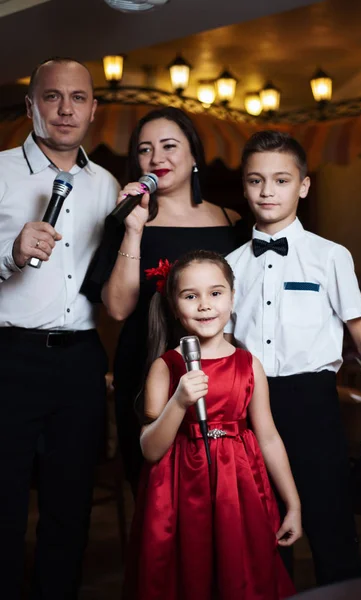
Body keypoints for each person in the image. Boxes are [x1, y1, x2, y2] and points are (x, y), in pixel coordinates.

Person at [224, 130, 361, 586]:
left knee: (332, 532)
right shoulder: (229, 265)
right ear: (244, 186)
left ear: (303, 185)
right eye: (256, 180)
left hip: (313, 405)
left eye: (281, 180)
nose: (267, 191)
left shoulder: (329, 257)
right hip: (247, 409)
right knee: (262, 535)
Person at [0, 57, 120, 599]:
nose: (66, 109)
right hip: (9, 358)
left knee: (69, 508)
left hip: (80, 362)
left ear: (94, 108)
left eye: (78, 98)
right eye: (52, 97)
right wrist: (9, 254)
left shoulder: (107, 185)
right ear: (31, 106)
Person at [82, 107, 247, 492]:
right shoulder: (125, 221)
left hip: (219, 374)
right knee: (155, 494)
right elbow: (119, 308)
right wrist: (134, 230)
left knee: (220, 486)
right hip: (144, 365)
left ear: (193, 155)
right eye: (144, 150)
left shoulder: (232, 222)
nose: (157, 158)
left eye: (169, 146)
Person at [122, 250, 302, 600]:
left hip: (238, 487)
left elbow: (268, 437)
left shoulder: (249, 364)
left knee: (241, 572)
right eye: (191, 296)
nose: (205, 305)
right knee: (189, 574)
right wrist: (179, 402)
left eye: (215, 293)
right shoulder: (167, 365)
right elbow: (150, 449)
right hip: (180, 490)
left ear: (233, 298)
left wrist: (292, 503)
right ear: (175, 306)